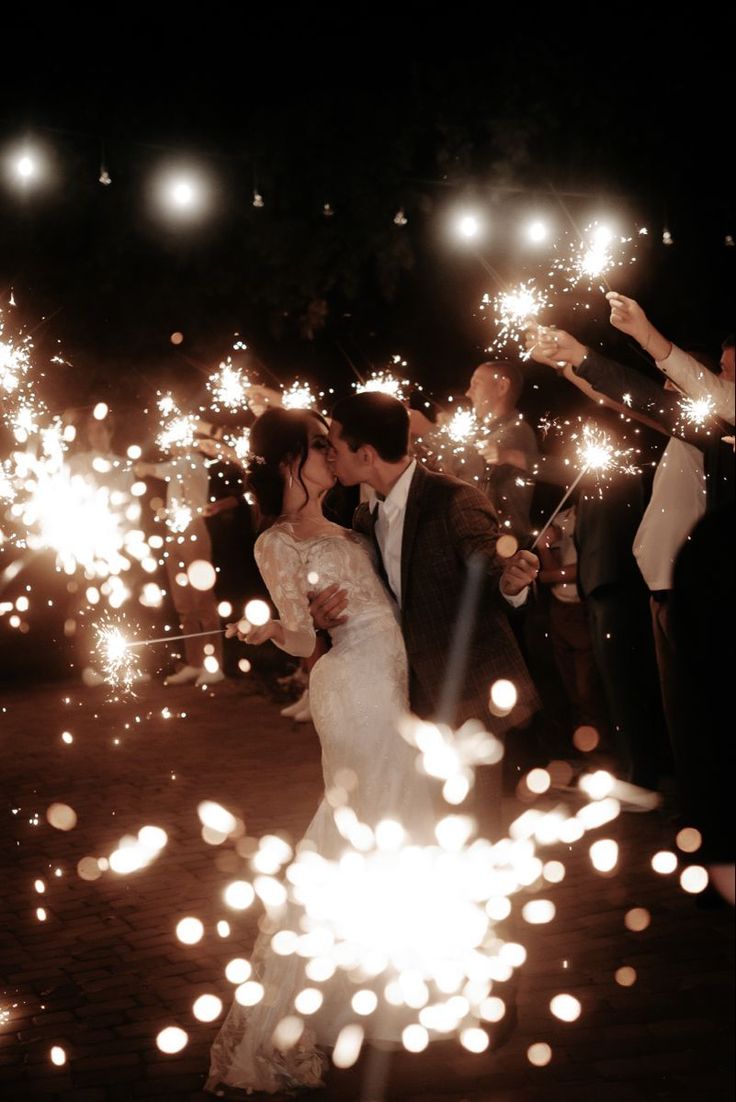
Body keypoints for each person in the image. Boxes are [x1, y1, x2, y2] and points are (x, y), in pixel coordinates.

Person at [206, 407, 436, 1095]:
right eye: (316, 445)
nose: (329, 454)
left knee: (394, 828)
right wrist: (276, 627)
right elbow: (308, 643)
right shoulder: (275, 541)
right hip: (353, 691)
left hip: (391, 689)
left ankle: (376, 994)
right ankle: (287, 1013)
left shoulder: (348, 522)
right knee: (355, 829)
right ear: (285, 462)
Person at [311, 392, 539, 741]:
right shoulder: (363, 517)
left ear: (367, 455)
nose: (329, 455)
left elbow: (494, 573)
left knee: (476, 798)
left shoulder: (454, 499)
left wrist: (513, 585)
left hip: (472, 695)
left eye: (334, 447)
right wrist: (325, 617)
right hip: (410, 700)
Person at [135, 444, 224, 687]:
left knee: (202, 600)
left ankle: (213, 664)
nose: (170, 445)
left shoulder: (192, 461)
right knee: (184, 603)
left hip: (193, 530)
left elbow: (161, 469)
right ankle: (195, 663)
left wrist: (145, 468)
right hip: (173, 531)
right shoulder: (178, 465)